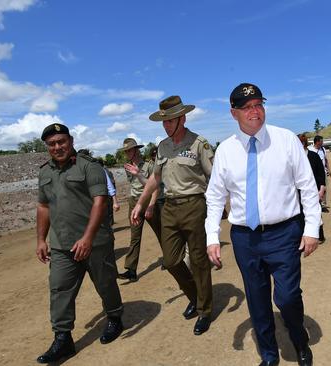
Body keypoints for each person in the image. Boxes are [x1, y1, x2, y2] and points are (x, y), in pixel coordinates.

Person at [205, 83, 320, 366]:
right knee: (257, 299)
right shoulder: (225, 152)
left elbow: (307, 186)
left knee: (287, 296)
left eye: (258, 105)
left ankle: (298, 337)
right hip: (246, 238)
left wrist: (311, 228)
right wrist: (211, 236)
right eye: (247, 107)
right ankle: (269, 354)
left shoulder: (286, 140)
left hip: (284, 233)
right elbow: (215, 198)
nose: (255, 111)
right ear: (234, 113)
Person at [35, 123, 123, 363]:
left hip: (95, 243)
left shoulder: (89, 167)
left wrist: (87, 237)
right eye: (52, 144)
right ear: (47, 147)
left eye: (61, 141)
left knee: (105, 283)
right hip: (62, 246)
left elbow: (100, 202)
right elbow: (43, 207)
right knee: (59, 289)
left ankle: (115, 317)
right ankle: (63, 339)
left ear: (70, 140)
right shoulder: (45, 172)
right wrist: (41, 239)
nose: (57, 147)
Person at [131, 95, 214, 335]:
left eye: (170, 121)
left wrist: (218, 207)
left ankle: (205, 310)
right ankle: (195, 296)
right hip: (169, 207)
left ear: (182, 118)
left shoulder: (199, 143)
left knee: (199, 261)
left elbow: (214, 178)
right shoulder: (163, 147)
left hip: (195, 205)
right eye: (163, 122)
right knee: (171, 261)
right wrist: (140, 203)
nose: (166, 126)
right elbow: (155, 178)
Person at [117, 138, 163, 282]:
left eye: (129, 150)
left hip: (148, 201)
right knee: (135, 237)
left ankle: (171, 259)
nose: (127, 153)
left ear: (136, 150)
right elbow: (133, 185)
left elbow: (154, 187)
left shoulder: (149, 165)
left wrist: (151, 205)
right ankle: (131, 270)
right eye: (125, 151)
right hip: (134, 202)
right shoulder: (128, 166)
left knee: (161, 232)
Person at [299, 133, 327, 242]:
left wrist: (322, 188)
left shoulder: (313, 156)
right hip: (299, 192)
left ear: (304, 143)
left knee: (315, 212)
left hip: (314, 190)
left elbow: (321, 174)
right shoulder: (295, 157)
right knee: (301, 215)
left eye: (301, 143)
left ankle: (320, 235)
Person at [308, 135, 330, 211]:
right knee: (315, 188)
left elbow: (326, 160)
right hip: (313, 174)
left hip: (322, 173)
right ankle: (316, 203)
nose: (322, 143)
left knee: (323, 188)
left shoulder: (323, 149)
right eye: (321, 141)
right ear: (317, 142)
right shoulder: (310, 149)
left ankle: (323, 204)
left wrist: (328, 169)